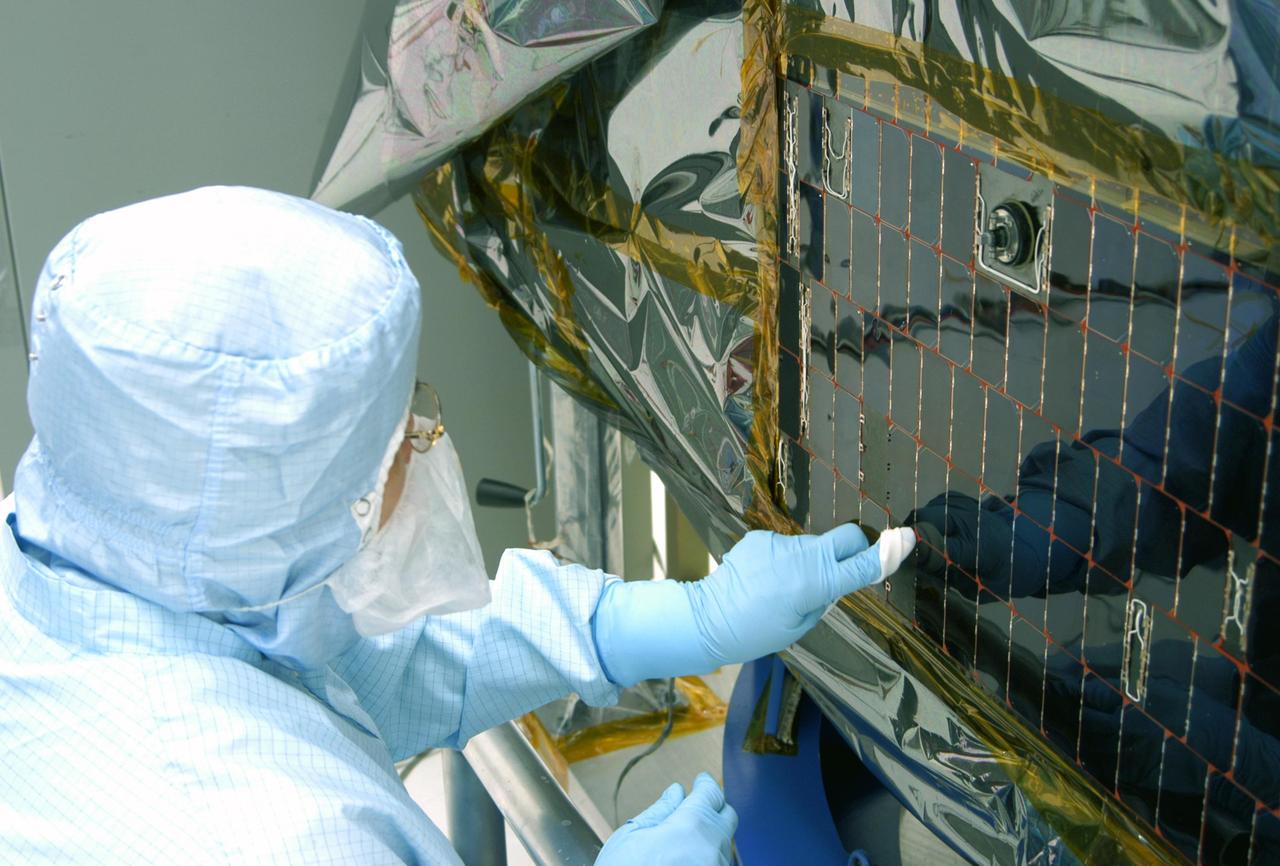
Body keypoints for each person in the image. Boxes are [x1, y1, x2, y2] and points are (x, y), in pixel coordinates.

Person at [0, 187, 915, 865]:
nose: (423, 443)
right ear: (288, 513)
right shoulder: (276, 836)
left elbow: (363, 660)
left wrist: (676, 618)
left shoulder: (104, 554)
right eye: (397, 443)